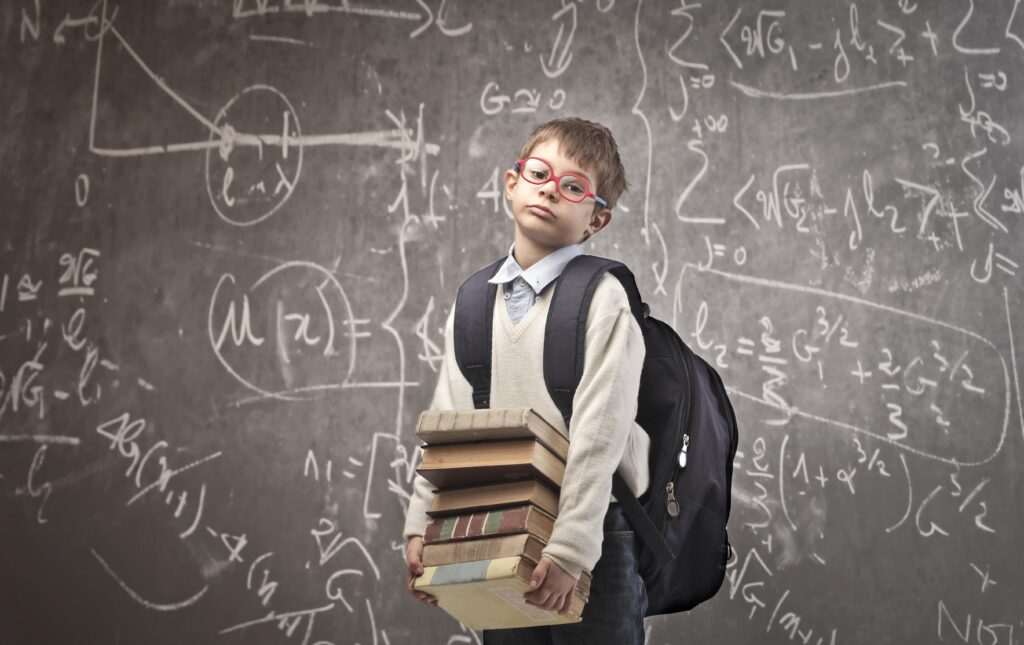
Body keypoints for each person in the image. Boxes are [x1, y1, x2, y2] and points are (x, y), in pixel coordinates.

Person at [402, 117, 650, 644]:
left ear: (596, 219)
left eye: (573, 186)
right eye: (539, 173)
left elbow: (600, 436)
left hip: (593, 532)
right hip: (502, 521)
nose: (550, 190)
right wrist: (424, 526)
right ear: (512, 183)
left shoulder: (603, 300)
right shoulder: (474, 302)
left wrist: (571, 550)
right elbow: (447, 431)